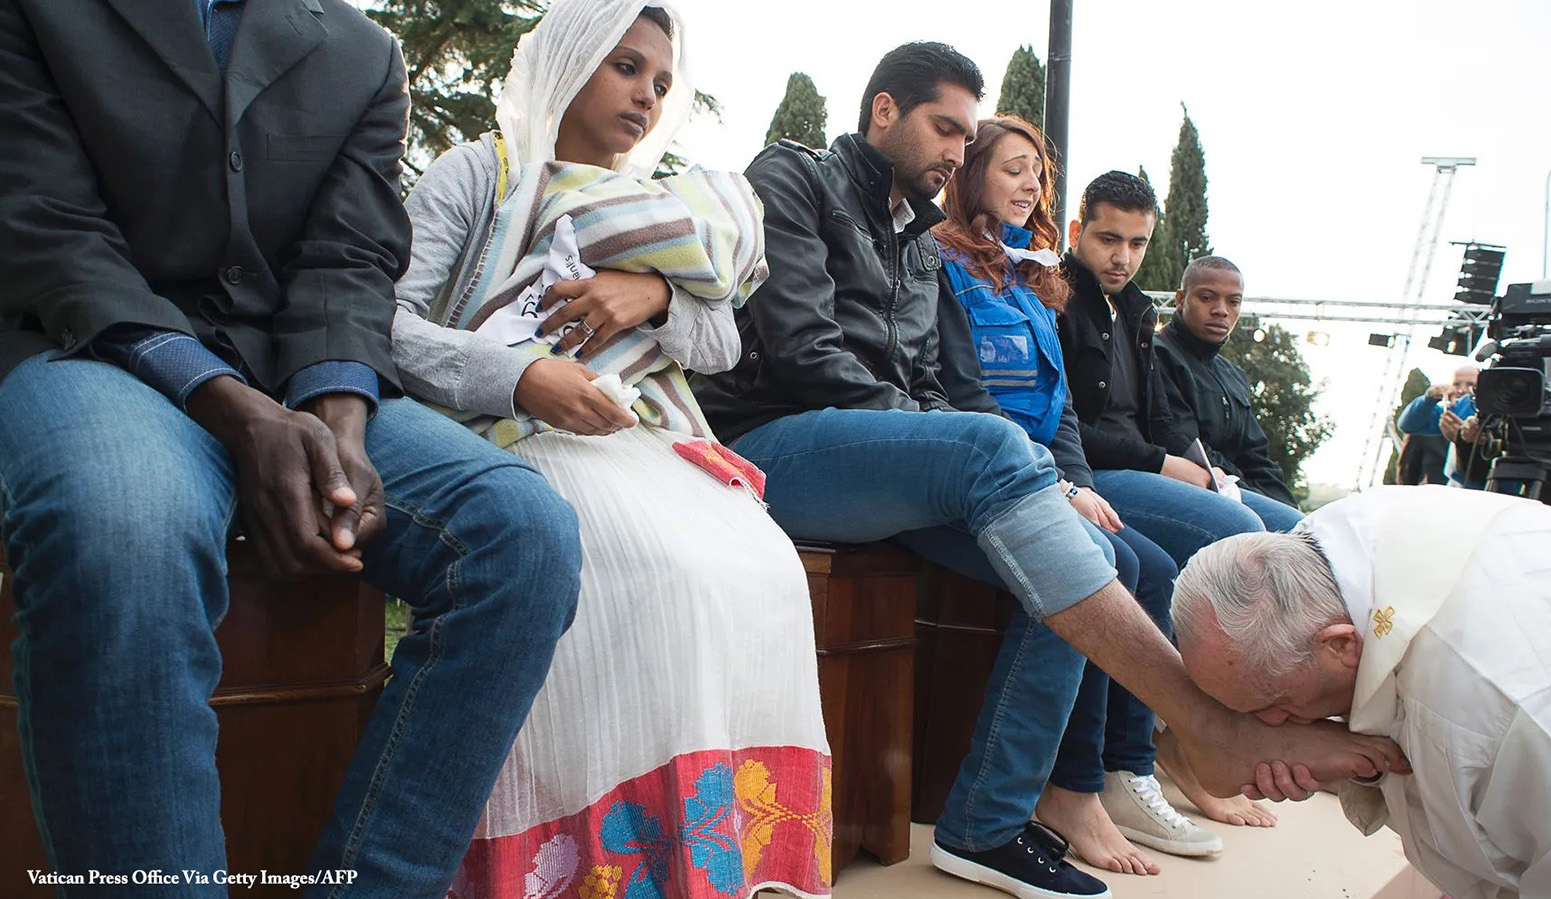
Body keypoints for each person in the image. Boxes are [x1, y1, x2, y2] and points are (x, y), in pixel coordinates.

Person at [691, 42, 1406, 899]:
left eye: (965, 133)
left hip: (886, 460)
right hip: (773, 444)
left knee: (1088, 551)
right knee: (1000, 451)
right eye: (944, 127)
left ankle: (986, 823)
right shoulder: (794, 179)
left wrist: (975, 455)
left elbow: (926, 383)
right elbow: (808, 355)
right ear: (883, 110)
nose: (956, 151)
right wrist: (956, 448)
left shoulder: (919, 242)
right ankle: (1202, 724)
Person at [0, 1, 584, 896]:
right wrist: (241, 414)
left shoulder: (364, 51)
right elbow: (44, 228)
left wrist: (339, 420)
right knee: (122, 526)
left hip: (292, 371)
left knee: (523, 534)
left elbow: (349, 260)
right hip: (85, 347)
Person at [390, 3, 831, 897]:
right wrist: (518, 376)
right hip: (513, 433)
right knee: (657, 570)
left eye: (662, 83)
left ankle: (709, 867)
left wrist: (653, 296)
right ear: (570, 57)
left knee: (765, 568)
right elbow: (388, 323)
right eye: (625, 67)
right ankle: (593, 868)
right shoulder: (481, 173)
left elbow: (719, 347)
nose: (646, 96)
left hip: (642, 438)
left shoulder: (662, 214)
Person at [931, 116, 1235, 877]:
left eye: (1038, 171)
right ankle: (1070, 787)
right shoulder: (942, 264)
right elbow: (963, 394)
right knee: (1108, 559)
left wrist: (1081, 486)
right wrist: (1060, 486)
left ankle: (1122, 768)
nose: (1031, 183)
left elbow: (1062, 410)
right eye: (1014, 168)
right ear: (969, 174)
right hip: (989, 474)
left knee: (1147, 563)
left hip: (1049, 477)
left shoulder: (1031, 278)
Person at [1171, 486, 1551, 899]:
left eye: (1275, 706)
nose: (1266, 729)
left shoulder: (1500, 709)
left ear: (1339, 646)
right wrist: (1366, 765)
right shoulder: (1338, 544)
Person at [1055, 172, 1274, 566]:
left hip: (1145, 470)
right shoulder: (1054, 301)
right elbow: (1060, 424)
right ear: (1076, 232)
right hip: (1090, 473)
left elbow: (1159, 420)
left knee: (1292, 528)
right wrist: (1161, 463)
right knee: (1241, 531)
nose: (1124, 258)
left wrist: (1204, 466)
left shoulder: (1136, 311)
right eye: (1109, 239)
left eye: (1137, 243)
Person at [1153, 256, 1303, 531]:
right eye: (1207, 298)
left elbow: (1256, 455)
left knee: (1305, 529)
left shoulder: (1232, 374)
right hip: (1196, 488)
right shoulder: (1158, 354)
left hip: (1236, 489)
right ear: (1180, 299)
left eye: (1233, 302)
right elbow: (1187, 445)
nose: (1221, 310)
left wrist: (1285, 505)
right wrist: (1250, 492)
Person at [1396, 363, 1481, 488]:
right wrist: (1430, 396)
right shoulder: (1455, 410)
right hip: (1455, 491)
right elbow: (1408, 424)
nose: (1462, 390)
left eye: (1471, 385)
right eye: (1457, 384)